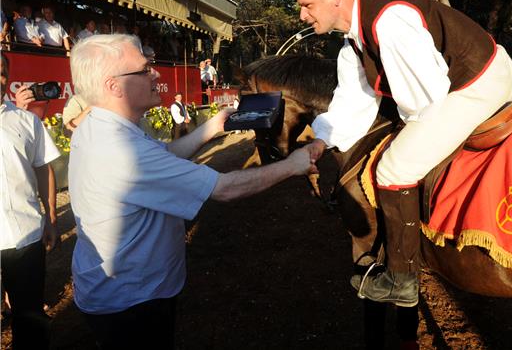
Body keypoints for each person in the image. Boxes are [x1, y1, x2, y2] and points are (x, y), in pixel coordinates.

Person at [294, 0, 512, 307]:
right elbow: (354, 99)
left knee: (394, 167)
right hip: (474, 75)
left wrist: (407, 129)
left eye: (307, 4)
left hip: (480, 82)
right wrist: (322, 140)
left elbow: (424, 97)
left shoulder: (387, 22)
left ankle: (403, 279)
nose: (303, 14)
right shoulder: (354, 42)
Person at [68, 34, 317, 349]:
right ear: (113, 86)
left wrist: (211, 128)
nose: (156, 73)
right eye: (144, 70)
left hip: (123, 293)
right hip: (132, 302)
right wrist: (294, 164)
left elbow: (163, 156)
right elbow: (225, 189)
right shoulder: (120, 150)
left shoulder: (105, 127)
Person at [1, 52, 60, 350]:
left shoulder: (27, 121)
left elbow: (42, 169)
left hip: (25, 237)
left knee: (30, 317)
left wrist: (51, 216)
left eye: (1, 72)